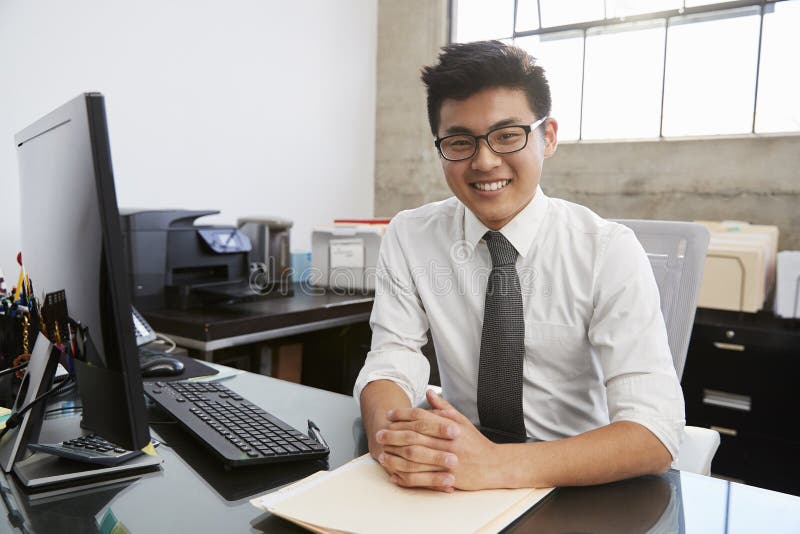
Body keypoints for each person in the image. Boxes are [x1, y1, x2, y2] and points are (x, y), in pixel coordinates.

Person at [354, 40, 684, 492]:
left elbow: (655, 432)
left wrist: (501, 464)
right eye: (459, 141)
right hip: (459, 472)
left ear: (547, 137)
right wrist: (391, 437)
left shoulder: (609, 251)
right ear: (440, 147)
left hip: (576, 482)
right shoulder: (411, 236)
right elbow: (392, 359)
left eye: (508, 135)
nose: (484, 160)